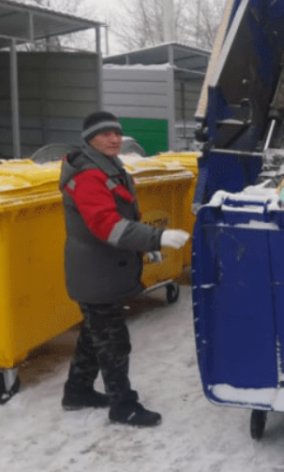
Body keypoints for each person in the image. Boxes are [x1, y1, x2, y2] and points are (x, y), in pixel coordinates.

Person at [59, 110, 190, 427]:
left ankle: (77, 392)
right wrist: (156, 238)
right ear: (90, 138)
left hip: (104, 267)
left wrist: (145, 245)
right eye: (105, 134)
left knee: (94, 334)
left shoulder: (110, 167)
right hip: (95, 270)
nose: (114, 139)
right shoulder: (88, 175)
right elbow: (107, 226)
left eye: (117, 133)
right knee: (114, 342)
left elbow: (124, 214)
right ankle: (123, 405)